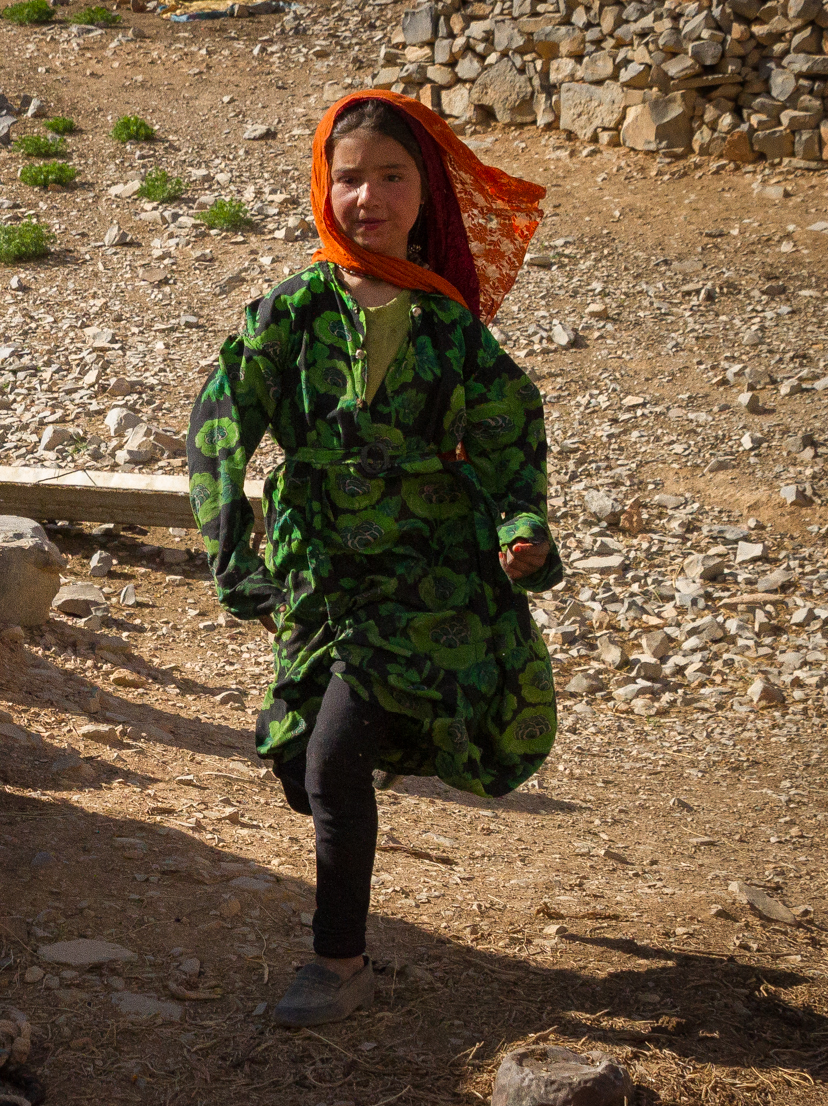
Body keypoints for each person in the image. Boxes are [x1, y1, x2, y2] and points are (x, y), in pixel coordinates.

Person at [186, 91, 562, 1027]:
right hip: (320, 581)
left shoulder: (453, 332)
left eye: (391, 177)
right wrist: (232, 547)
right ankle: (365, 760)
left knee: (328, 763)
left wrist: (523, 526)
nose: (370, 196)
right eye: (349, 176)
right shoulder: (291, 312)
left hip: (425, 582)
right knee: (297, 761)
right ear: (324, 186)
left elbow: (512, 445)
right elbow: (219, 427)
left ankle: (337, 962)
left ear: (423, 192)